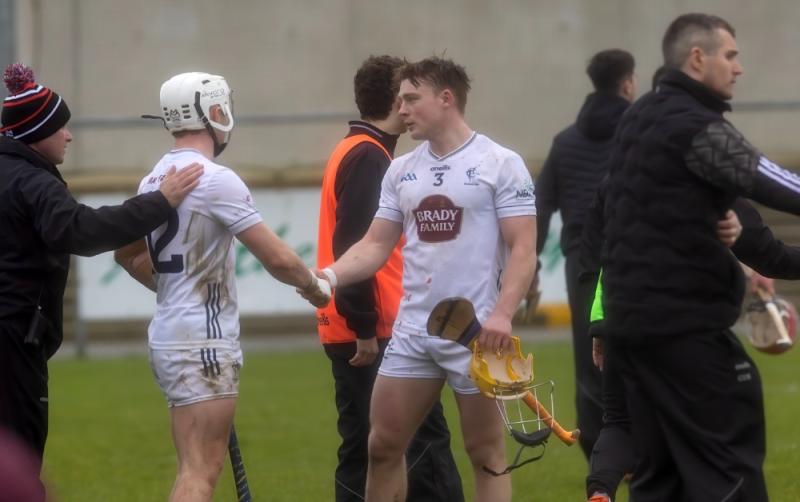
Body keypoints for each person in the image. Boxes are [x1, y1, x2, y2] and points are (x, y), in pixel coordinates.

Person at [310, 56, 536, 502]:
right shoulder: (401, 169)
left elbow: (524, 249)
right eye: (400, 100)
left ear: (446, 98)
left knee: (486, 453)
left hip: (476, 335)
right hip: (414, 332)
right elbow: (374, 245)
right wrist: (329, 278)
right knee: (381, 446)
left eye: (412, 99)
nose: (403, 109)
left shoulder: (500, 163)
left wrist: (503, 316)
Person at [602, 13, 800, 501]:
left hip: (631, 330)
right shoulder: (694, 125)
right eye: (730, 55)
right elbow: (774, 182)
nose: (738, 69)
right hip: (683, 330)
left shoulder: (640, 118)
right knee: (729, 468)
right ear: (697, 58)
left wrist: (715, 224)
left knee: (659, 478)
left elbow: (627, 208)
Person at [114, 72, 331, 502]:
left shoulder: (153, 179)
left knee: (190, 467)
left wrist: (172, 287)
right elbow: (278, 259)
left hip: (170, 335)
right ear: (216, 112)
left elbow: (126, 254)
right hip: (204, 342)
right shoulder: (215, 178)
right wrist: (316, 288)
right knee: (200, 474)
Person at [0, 63, 203, 474]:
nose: (69, 135)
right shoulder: (32, 183)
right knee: (17, 466)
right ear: (37, 132)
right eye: (61, 127)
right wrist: (159, 202)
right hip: (11, 343)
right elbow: (81, 231)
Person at [316, 55, 463, 502]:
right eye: (406, 94)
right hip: (373, 331)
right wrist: (364, 326)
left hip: (354, 324)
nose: (409, 105)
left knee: (367, 448)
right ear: (394, 101)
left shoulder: (355, 148)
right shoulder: (370, 156)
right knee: (422, 449)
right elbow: (357, 244)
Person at [533, 49, 636, 459]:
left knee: (590, 355)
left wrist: (533, 263)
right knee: (644, 348)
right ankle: (646, 445)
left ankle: (600, 450)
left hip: (583, 260)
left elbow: (541, 205)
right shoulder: (639, 130)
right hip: (634, 253)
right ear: (627, 82)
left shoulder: (564, 141)